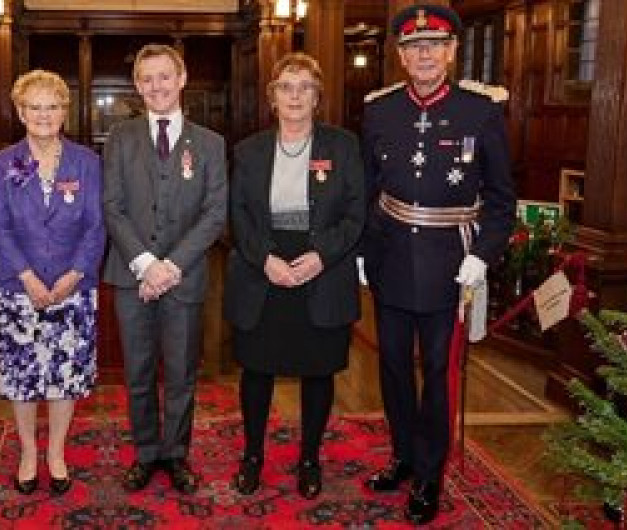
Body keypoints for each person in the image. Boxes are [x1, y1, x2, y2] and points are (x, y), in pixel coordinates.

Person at [361, 5, 516, 525]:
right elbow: (367, 190)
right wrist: (364, 252)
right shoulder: (379, 112)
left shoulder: (481, 112)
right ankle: (404, 455)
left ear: (451, 51)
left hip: (453, 264)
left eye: (433, 44)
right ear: (401, 57)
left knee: (438, 371)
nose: (423, 54)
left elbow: (500, 199)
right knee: (393, 367)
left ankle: (430, 472)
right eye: (412, 46)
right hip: (390, 260)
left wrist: (482, 255)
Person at [223, 52, 365, 499]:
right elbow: (238, 215)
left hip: (321, 268)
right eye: (286, 86)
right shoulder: (248, 150)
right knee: (257, 370)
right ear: (272, 97)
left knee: (317, 370)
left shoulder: (343, 146)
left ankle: (309, 459)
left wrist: (321, 255)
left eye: (305, 87)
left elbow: (354, 214)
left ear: (318, 97)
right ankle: (252, 457)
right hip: (262, 269)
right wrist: (265, 258)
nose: (296, 95)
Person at [102, 43, 227, 495]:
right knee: (137, 373)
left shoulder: (210, 143)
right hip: (129, 275)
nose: (156, 85)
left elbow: (215, 214)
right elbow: (112, 207)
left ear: (182, 78)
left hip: (185, 277)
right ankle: (145, 453)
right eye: (147, 78)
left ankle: (175, 455)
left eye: (164, 76)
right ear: (138, 85)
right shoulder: (119, 138)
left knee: (180, 374)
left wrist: (170, 265)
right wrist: (145, 264)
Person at [0, 69, 105, 496]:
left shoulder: (87, 162)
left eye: (52, 106)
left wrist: (74, 275)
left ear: (64, 111)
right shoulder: (5, 164)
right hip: (19, 287)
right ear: (20, 111)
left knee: (64, 375)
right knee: (23, 376)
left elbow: (96, 226)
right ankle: (28, 453)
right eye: (34, 107)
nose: (43, 114)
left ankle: (55, 452)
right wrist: (28, 278)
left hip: (74, 287)